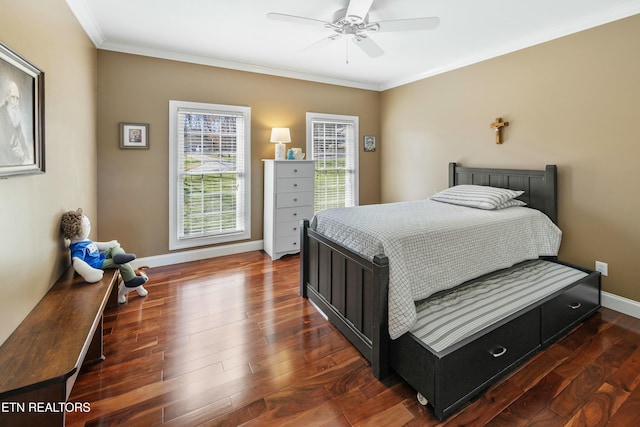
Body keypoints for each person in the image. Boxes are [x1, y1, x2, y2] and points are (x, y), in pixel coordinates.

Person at [0, 81, 32, 166]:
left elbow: (22, 141)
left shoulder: (16, 116)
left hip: (17, 164)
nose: (15, 102)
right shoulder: (1, 114)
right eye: (12, 97)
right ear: (7, 97)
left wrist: (23, 154)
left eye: (17, 98)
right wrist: (15, 154)